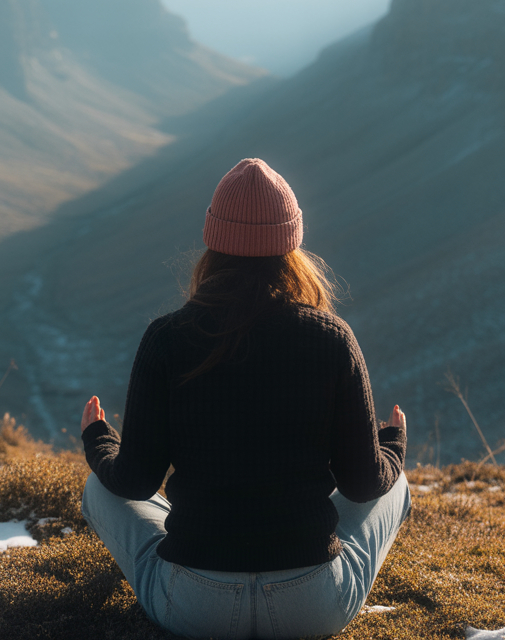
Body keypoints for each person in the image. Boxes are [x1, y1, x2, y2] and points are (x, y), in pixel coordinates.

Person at [80, 157, 410, 640]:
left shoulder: (167, 338)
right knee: (395, 486)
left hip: (195, 607)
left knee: (98, 489)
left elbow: (134, 480)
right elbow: (363, 484)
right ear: (292, 243)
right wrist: (393, 444)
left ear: (213, 241)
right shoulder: (332, 338)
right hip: (311, 607)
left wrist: (98, 438)